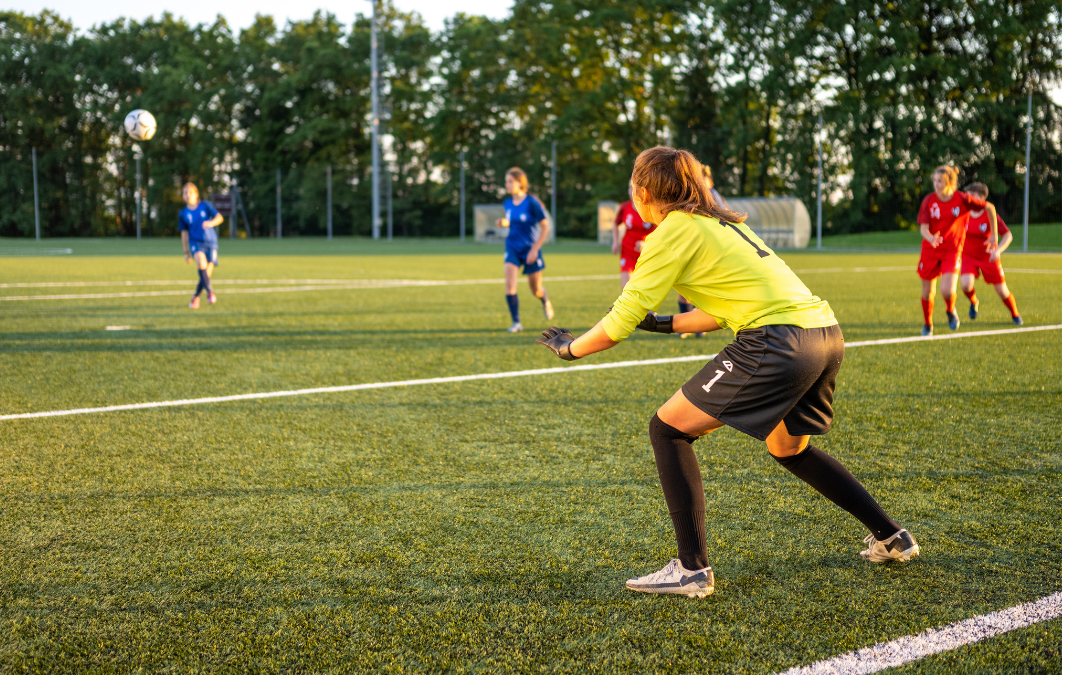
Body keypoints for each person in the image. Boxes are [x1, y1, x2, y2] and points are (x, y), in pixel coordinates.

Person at [536, 147, 918, 599]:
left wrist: (569, 349)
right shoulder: (724, 222)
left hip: (778, 342)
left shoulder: (671, 232)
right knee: (789, 449)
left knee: (668, 429)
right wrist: (665, 324)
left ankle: (692, 569)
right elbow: (723, 309)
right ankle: (893, 537)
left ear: (642, 193)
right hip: (824, 334)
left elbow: (617, 324)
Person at [916, 166, 999, 335]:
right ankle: (928, 324)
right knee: (927, 292)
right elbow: (923, 229)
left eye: (940, 181)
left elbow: (990, 207)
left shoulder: (962, 199)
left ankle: (950, 310)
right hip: (930, 250)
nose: (936, 184)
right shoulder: (928, 201)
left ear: (950, 182)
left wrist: (994, 235)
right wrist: (931, 238)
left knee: (947, 291)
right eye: (934, 180)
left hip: (952, 250)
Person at [496, 167, 553, 332]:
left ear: (520, 183)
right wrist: (503, 222)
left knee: (535, 290)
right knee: (510, 285)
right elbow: (511, 221)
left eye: (510, 181)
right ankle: (516, 322)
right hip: (512, 248)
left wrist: (535, 250)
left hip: (530, 250)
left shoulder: (531, 202)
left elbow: (544, 227)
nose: (506, 184)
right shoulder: (507, 203)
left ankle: (545, 299)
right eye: (506, 181)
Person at [958, 182, 1022, 325]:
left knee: (1002, 291)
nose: (969, 199)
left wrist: (998, 250)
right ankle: (974, 301)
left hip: (988, 256)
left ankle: (1015, 314)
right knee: (966, 285)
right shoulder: (964, 212)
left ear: (981, 198)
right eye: (967, 196)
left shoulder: (990, 213)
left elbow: (1007, 235)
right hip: (968, 256)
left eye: (972, 196)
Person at [179, 182, 223, 309]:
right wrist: (186, 252)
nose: (187, 195)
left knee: (206, 276)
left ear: (196, 194)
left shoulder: (205, 205)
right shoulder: (183, 213)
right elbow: (184, 233)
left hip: (211, 243)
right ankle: (210, 293)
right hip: (196, 243)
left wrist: (211, 223)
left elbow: (219, 218)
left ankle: (195, 297)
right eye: (185, 193)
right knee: (201, 263)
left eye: (190, 192)